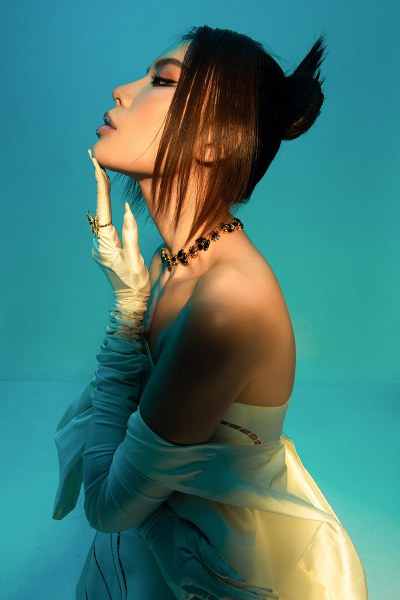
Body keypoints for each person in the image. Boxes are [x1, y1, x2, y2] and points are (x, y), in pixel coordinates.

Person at [53, 25, 368, 599]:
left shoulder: (226, 306)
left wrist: (127, 316)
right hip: (150, 559)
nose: (123, 90)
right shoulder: (170, 262)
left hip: (219, 573)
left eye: (161, 81)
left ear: (217, 141)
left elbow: (106, 508)